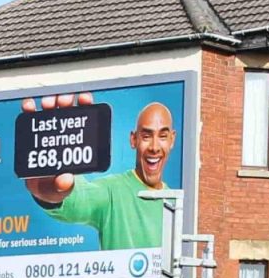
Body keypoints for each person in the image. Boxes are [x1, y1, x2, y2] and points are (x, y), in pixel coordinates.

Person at [22, 93, 178, 250]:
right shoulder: (113, 192)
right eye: (146, 136)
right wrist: (51, 190)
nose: (155, 147)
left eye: (163, 136)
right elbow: (80, 200)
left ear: (172, 139)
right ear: (133, 139)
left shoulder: (175, 204)